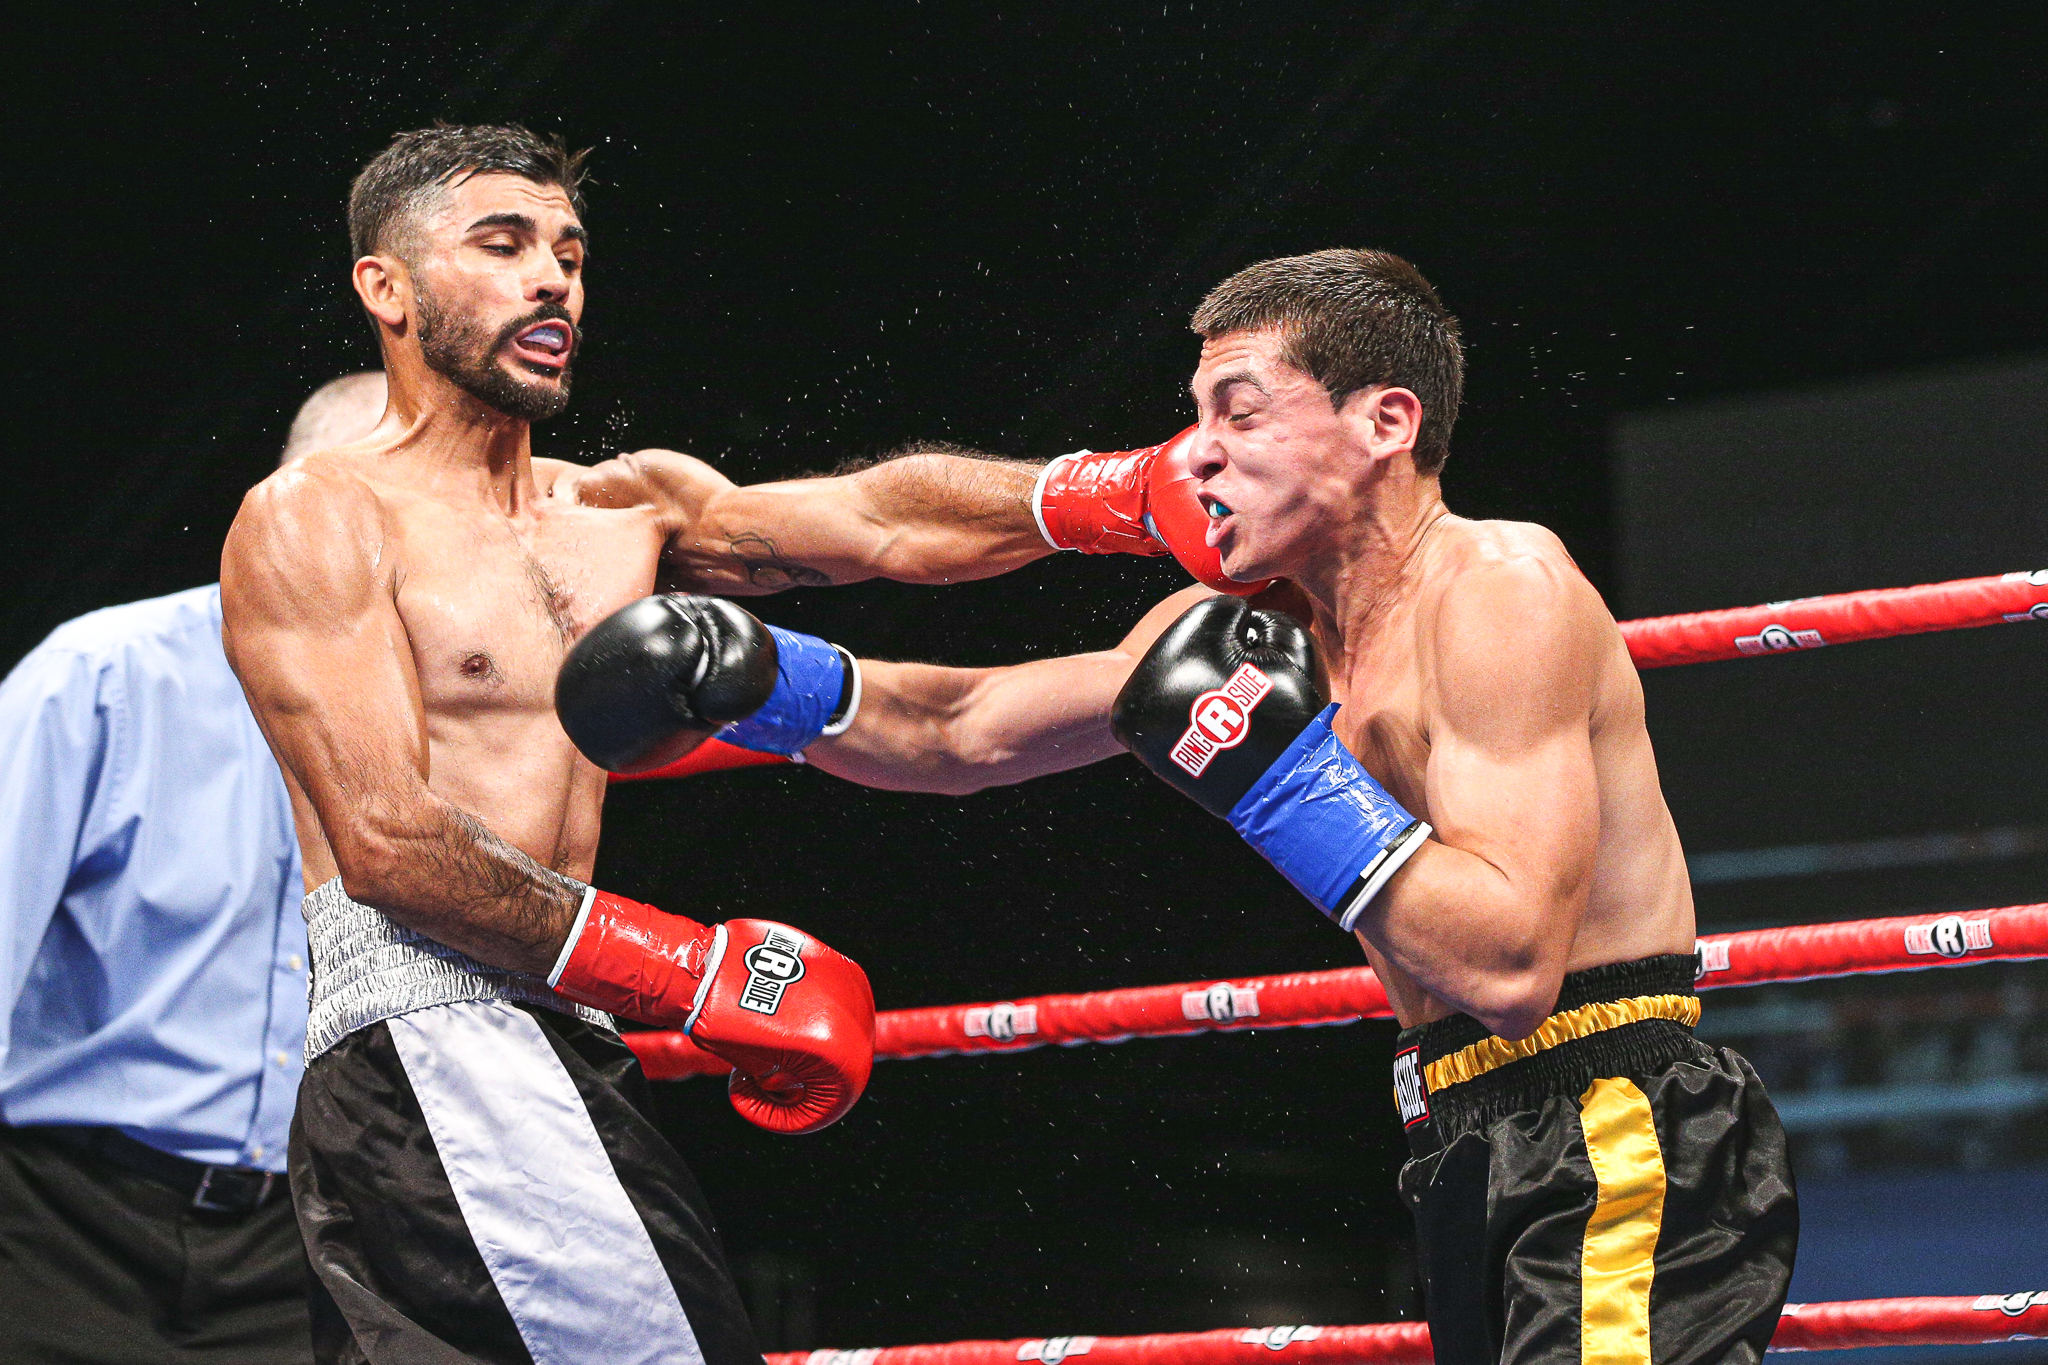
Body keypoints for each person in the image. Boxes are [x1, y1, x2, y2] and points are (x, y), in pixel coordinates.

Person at [567, 249, 1798, 1365]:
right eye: (1193, 415)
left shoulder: (1499, 592)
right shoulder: (1249, 632)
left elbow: (1515, 961)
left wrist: (1277, 777)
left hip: (1609, 1115)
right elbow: (960, 732)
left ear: (1385, 420)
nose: (1194, 452)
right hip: (1458, 1129)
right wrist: (762, 679)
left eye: (1240, 411)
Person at [218, 122, 1169, 1365]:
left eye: (567, 250)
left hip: (543, 1032)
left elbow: (876, 520)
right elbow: (389, 843)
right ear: (384, 290)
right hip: (436, 1035)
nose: (550, 277)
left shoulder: (624, 506)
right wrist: (688, 975)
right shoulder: (319, 516)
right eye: (500, 246)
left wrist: (1124, 493)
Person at [0, 372, 387, 1365]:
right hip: (54, 1222)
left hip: (302, 1244)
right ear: (277, 509)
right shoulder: (101, 677)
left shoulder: (461, 732)